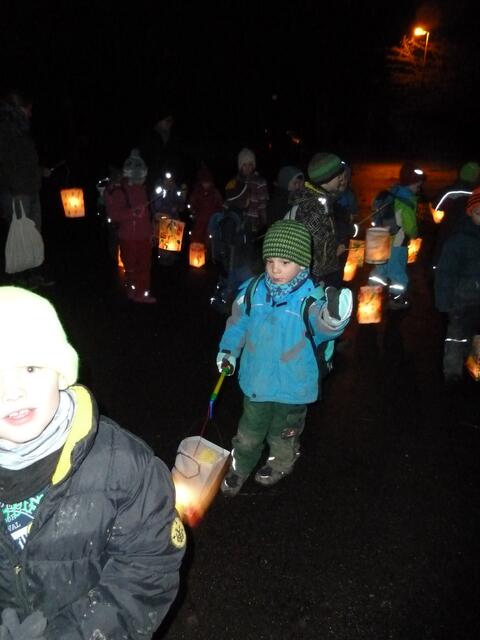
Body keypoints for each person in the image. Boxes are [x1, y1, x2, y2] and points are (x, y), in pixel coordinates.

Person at [0, 286, 186, 638]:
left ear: (61, 372)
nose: (11, 392)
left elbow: (147, 569)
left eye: (30, 368)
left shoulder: (125, 469)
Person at [216, 220, 352, 496]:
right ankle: (240, 466)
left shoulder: (310, 299)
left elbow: (323, 327)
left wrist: (334, 319)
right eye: (270, 261)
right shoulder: (254, 292)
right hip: (257, 381)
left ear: (302, 264)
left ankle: (280, 462)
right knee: (248, 431)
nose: (275, 269)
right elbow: (238, 323)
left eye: (285, 262)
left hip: (294, 386)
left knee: (284, 431)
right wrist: (228, 351)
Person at [0, 90, 53, 288]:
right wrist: (14, 187)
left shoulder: (22, 131)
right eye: (28, 109)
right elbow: (8, 164)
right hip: (16, 193)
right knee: (20, 236)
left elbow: (25, 162)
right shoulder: (5, 129)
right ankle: (20, 279)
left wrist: (39, 171)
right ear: (18, 108)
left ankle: (35, 275)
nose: (30, 113)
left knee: (34, 236)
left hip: (30, 189)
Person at [434, 187, 480, 383]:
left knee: (476, 334)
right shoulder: (459, 239)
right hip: (461, 300)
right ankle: (452, 372)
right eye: (479, 213)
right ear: (470, 212)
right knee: (457, 335)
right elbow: (445, 272)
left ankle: (474, 364)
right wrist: (443, 300)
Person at [368, 161, 425, 310]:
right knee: (397, 272)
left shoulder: (389, 193)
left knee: (379, 269)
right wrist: (415, 234)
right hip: (397, 243)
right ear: (412, 184)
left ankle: (371, 296)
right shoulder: (406, 201)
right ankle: (396, 300)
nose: (419, 188)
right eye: (418, 185)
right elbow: (410, 227)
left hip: (379, 239)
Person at [104, 149, 156, 303]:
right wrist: (132, 213)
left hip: (144, 236)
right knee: (130, 266)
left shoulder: (144, 189)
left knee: (145, 266)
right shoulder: (118, 190)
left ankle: (143, 293)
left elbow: (147, 214)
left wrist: (151, 232)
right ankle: (132, 290)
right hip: (127, 237)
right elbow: (114, 214)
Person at [289, 152, 346, 286]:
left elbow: (324, 232)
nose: (341, 179)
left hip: (323, 269)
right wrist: (333, 253)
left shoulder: (322, 199)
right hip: (317, 274)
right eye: (338, 176)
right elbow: (313, 242)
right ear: (328, 178)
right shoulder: (313, 205)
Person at [432, 160, 480, 267]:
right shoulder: (477, 192)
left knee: (443, 253)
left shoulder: (449, 191)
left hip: (449, 228)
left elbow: (436, 206)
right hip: (472, 229)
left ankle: (437, 268)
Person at [333, 163, 359, 284]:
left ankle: (339, 285)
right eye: (340, 177)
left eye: (346, 177)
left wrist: (352, 225)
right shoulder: (330, 196)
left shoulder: (350, 194)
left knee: (340, 265)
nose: (343, 180)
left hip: (344, 237)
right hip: (332, 237)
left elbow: (354, 214)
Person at [188, 164, 223, 246]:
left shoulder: (215, 193)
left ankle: (209, 253)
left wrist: (217, 217)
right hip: (199, 222)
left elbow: (220, 206)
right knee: (196, 242)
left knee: (210, 243)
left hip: (211, 223)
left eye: (207, 182)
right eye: (204, 182)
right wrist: (193, 213)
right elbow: (192, 205)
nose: (206, 184)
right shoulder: (197, 192)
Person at [236, 148, 269, 234]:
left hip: (254, 225)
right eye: (244, 165)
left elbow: (263, 205)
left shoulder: (260, 182)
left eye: (250, 164)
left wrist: (264, 224)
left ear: (253, 165)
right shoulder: (236, 182)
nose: (247, 168)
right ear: (240, 166)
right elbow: (230, 201)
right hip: (238, 224)